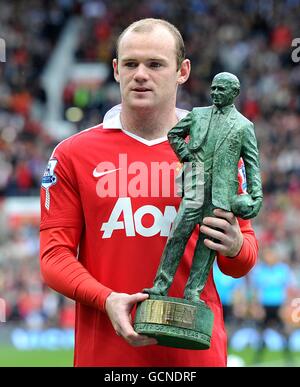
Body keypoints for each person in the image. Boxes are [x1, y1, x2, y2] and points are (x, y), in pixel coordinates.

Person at [40, 18, 259, 367]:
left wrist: (233, 245)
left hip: (195, 355)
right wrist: (107, 299)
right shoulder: (71, 155)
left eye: (155, 64)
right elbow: (53, 258)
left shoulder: (216, 146)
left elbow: (242, 259)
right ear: (115, 69)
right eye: (130, 64)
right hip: (106, 357)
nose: (140, 74)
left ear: (182, 71)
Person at [145, 72, 263, 303]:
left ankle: (193, 292)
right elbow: (174, 134)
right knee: (178, 233)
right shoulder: (198, 115)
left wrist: (255, 196)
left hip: (222, 193)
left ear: (234, 93)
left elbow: (252, 164)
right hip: (194, 185)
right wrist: (187, 157)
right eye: (214, 88)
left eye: (222, 89)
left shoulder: (243, 126)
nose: (216, 93)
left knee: (206, 245)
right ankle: (160, 285)